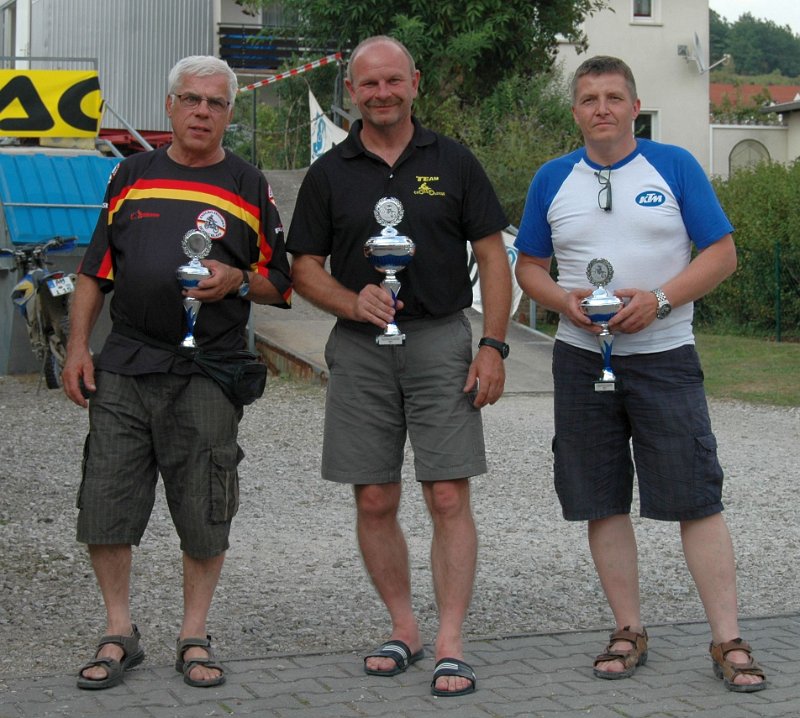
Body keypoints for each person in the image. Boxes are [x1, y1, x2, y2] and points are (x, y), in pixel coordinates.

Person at [514, 55, 766, 692]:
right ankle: (628, 630)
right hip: (581, 359)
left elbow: (722, 254)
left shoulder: (674, 165)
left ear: (634, 106)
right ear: (575, 111)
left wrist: (658, 300)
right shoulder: (552, 178)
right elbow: (529, 267)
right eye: (589, 98)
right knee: (601, 499)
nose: (601, 108)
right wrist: (563, 300)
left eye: (613, 97)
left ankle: (728, 638)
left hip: (666, 358)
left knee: (695, 498)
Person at [286, 36, 511, 697]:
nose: (381, 93)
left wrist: (493, 346)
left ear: (415, 82)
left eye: (392, 80)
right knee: (375, 497)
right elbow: (304, 268)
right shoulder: (329, 173)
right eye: (368, 84)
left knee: (447, 494)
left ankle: (450, 642)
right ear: (351, 92)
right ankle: (404, 628)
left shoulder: (454, 160)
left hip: (441, 339)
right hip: (360, 347)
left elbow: (492, 256)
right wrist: (350, 301)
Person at [62, 55, 291, 690]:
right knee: (106, 500)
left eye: (216, 102)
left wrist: (237, 279)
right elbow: (95, 270)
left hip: (207, 369)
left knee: (205, 508)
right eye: (191, 99)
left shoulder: (248, 184)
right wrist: (78, 348)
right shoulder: (131, 175)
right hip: (126, 364)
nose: (202, 111)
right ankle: (119, 630)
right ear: (170, 106)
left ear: (229, 113)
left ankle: (194, 634)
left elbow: (281, 282)